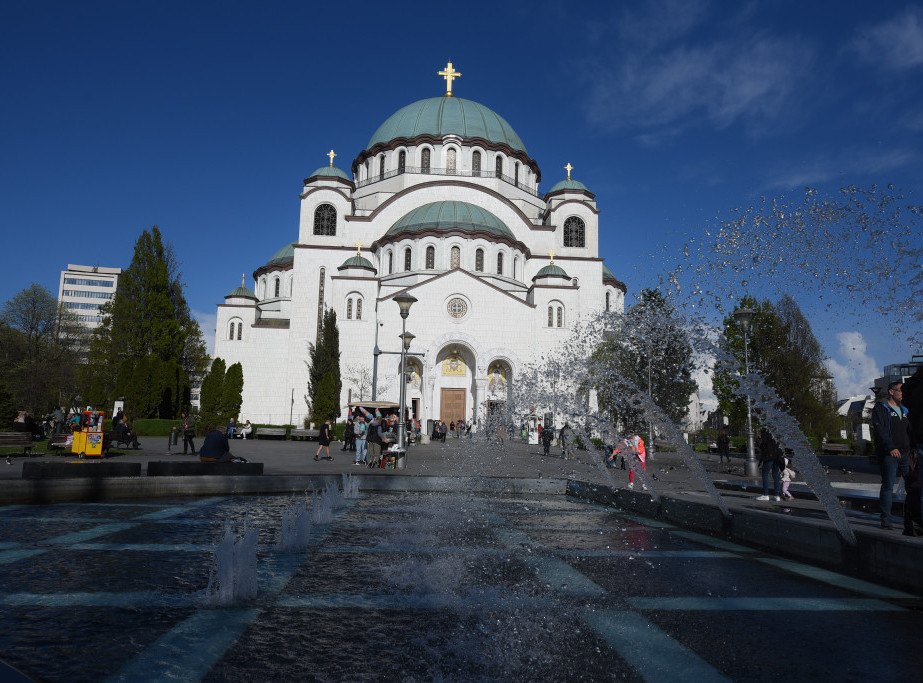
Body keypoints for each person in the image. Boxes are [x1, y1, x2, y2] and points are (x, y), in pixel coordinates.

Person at [872, 381, 912, 529]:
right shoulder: (881, 408)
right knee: (888, 486)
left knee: (911, 487)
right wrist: (890, 448)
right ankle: (886, 519)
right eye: (900, 391)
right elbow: (880, 430)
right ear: (891, 392)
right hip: (890, 454)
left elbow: (909, 431)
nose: (903, 393)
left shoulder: (905, 410)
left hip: (906, 453)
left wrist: (912, 448)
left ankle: (911, 518)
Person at [756, 428, 782, 502]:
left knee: (765, 474)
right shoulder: (777, 429)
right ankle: (777, 496)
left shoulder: (765, 430)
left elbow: (764, 445)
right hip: (777, 456)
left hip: (769, 456)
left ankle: (765, 495)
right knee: (776, 475)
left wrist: (758, 440)